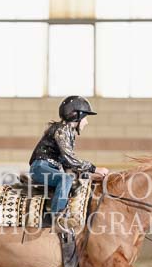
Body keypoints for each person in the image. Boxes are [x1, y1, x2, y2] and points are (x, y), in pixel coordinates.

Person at [28, 96, 109, 230]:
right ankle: (58, 217)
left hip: (48, 168)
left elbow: (68, 164)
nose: (86, 122)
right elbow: (70, 159)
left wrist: (87, 176)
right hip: (40, 168)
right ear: (77, 116)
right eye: (85, 118)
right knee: (66, 179)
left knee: (68, 178)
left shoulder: (68, 133)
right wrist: (94, 169)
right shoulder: (62, 130)